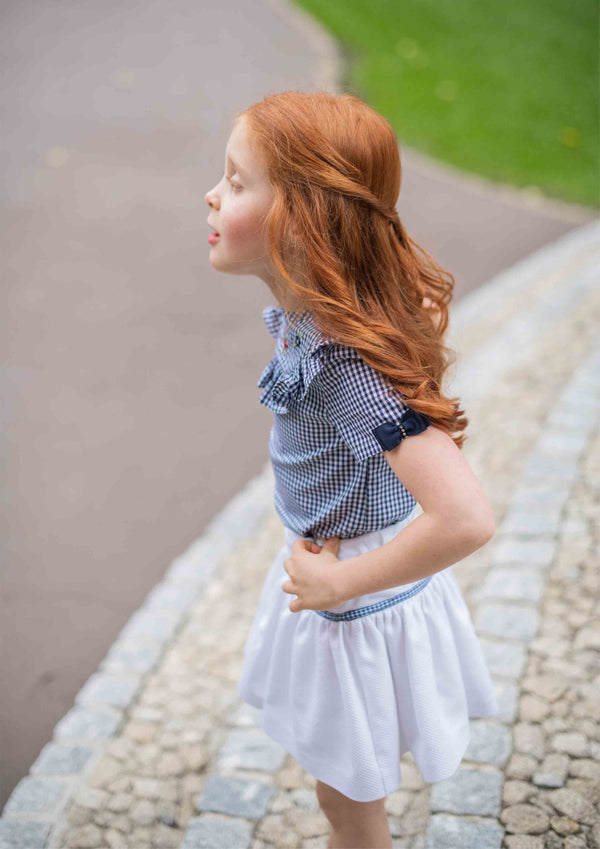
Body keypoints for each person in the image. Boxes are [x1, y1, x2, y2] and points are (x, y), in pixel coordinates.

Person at [204, 90, 498, 849]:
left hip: (355, 583)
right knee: (341, 777)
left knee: (347, 793)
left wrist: (340, 583)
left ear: (299, 221)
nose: (211, 193)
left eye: (237, 182)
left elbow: (465, 517)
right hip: (336, 571)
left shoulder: (345, 364)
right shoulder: (318, 323)